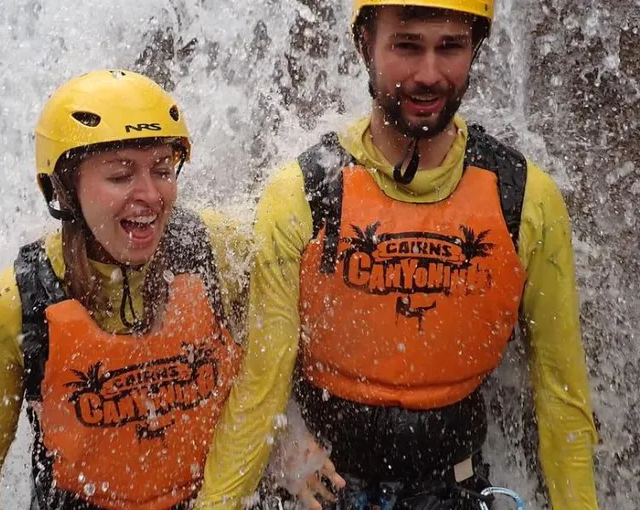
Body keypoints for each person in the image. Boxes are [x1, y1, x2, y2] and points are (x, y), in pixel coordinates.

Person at [196, 1, 598, 509]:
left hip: (455, 489)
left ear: (475, 49)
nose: (428, 74)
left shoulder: (525, 199)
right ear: (365, 45)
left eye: (450, 47)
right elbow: (260, 392)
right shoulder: (303, 195)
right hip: (329, 490)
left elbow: (562, 398)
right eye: (407, 45)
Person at [0, 69, 248, 510]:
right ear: (65, 188)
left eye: (162, 170)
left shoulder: (217, 250)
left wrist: (293, 439)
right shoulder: (15, 305)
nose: (150, 195)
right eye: (121, 175)